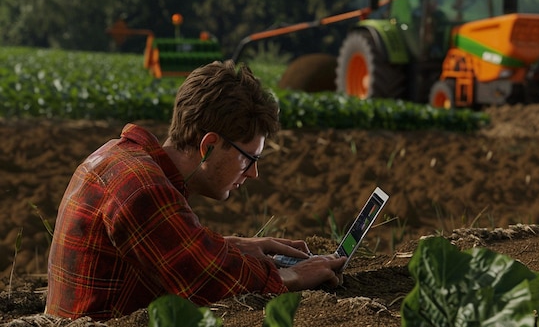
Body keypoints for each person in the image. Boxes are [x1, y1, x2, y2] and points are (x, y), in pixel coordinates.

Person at [45, 60, 346, 320]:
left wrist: (233, 247)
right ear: (209, 146)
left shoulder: (124, 160)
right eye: (249, 159)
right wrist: (292, 275)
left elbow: (170, 249)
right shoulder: (142, 189)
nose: (253, 173)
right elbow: (205, 281)